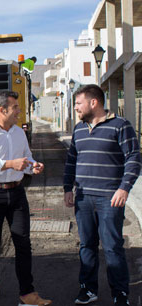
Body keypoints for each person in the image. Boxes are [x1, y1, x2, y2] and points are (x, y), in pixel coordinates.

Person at [63, 84, 141, 306]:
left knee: (112, 246)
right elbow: (71, 161)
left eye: (78, 103)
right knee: (86, 245)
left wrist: (124, 188)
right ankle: (88, 290)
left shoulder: (121, 125)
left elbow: (134, 159)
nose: (76, 108)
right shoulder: (79, 129)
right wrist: (68, 189)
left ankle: (120, 293)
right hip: (83, 198)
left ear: (93, 102)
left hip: (109, 198)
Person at [0, 91, 52, 306]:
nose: (19, 111)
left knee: (23, 242)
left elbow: (26, 157)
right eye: (15, 107)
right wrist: (10, 163)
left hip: (17, 193)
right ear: (2, 110)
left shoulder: (19, 133)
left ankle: (27, 293)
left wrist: (33, 165)